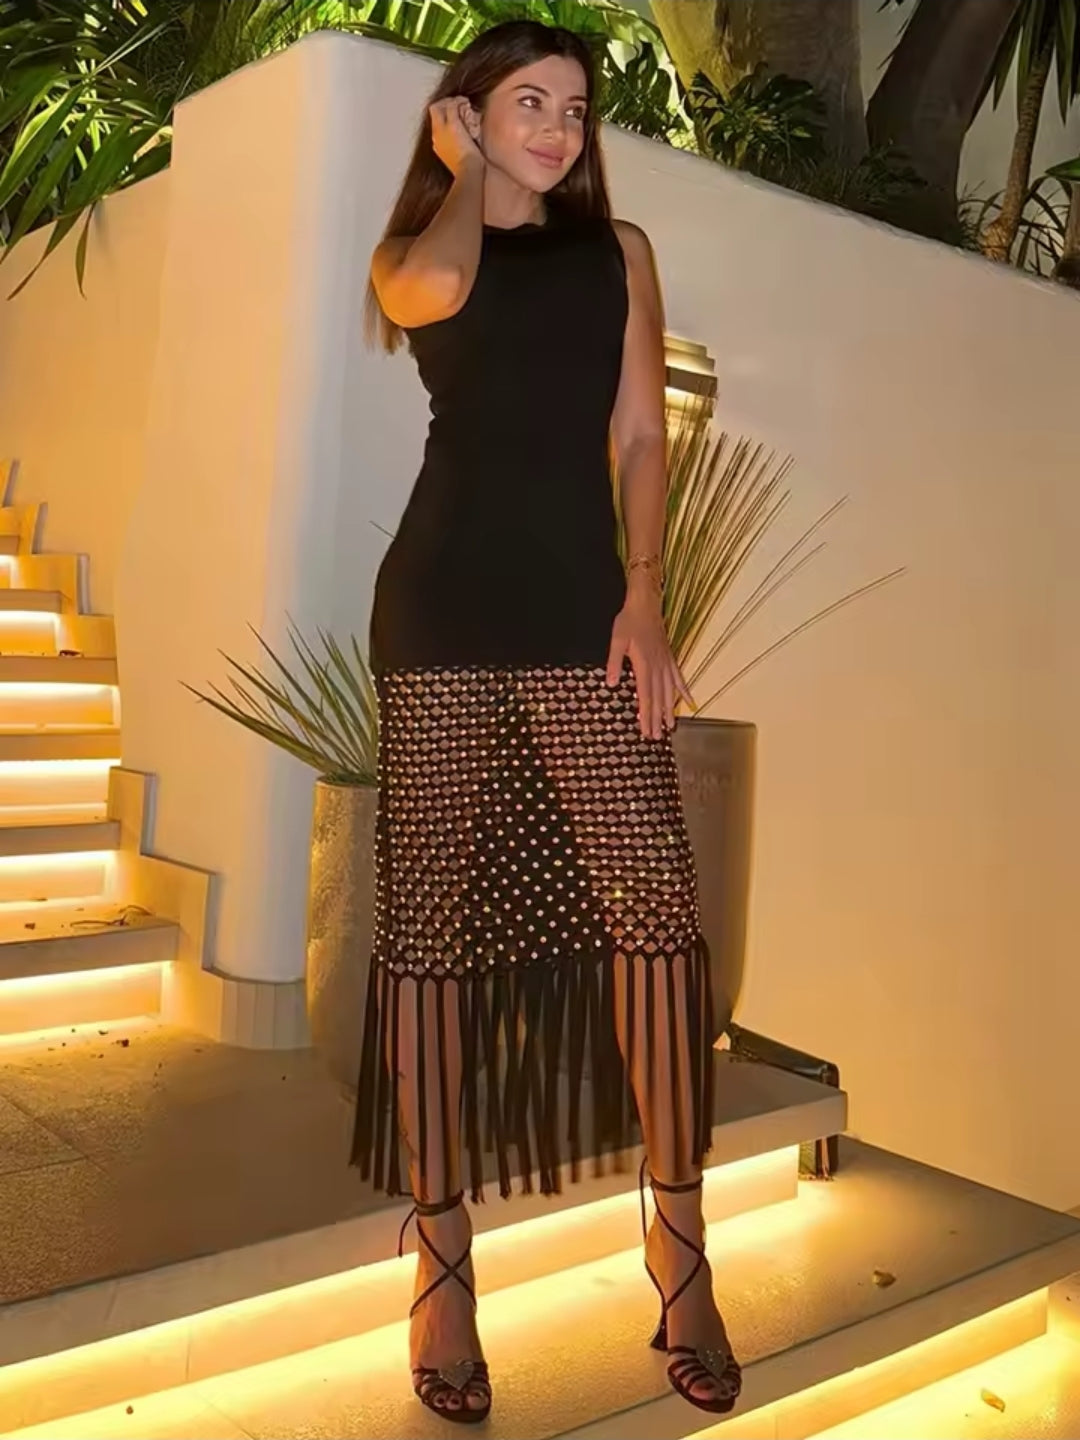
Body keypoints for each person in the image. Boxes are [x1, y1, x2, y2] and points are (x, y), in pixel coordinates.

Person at [353, 18, 742, 1427]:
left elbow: (639, 435)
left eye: (575, 109)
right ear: (467, 115)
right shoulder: (423, 249)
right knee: (433, 938)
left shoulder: (617, 253)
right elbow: (429, 293)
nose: (562, 130)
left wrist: (645, 598)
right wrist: (462, 169)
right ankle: (444, 1262)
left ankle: (680, 1245)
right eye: (531, 103)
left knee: (656, 918)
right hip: (445, 607)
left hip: (586, 606)